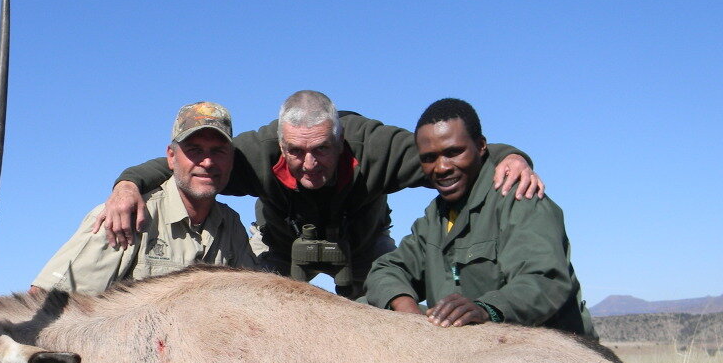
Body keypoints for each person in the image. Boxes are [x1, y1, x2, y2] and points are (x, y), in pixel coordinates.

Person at [95, 90, 543, 298]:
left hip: (364, 245)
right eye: (296, 152)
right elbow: (182, 164)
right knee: (264, 317)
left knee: (383, 322)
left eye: (322, 151)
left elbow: (454, 154)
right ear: (280, 142)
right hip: (278, 246)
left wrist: (512, 156)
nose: (309, 164)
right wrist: (127, 183)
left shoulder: (380, 148)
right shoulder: (253, 153)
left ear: (341, 140)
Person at [365, 98, 594, 335]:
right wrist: (407, 311)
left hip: (551, 351)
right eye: (429, 158)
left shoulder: (518, 198)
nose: (441, 167)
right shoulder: (435, 218)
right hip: (475, 352)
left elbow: (545, 281)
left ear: (481, 146)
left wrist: (487, 310)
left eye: (454, 152)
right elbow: (387, 269)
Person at [32, 102, 257, 295]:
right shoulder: (124, 216)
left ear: (231, 159)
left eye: (218, 151)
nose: (207, 162)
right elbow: (44, 303)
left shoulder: (231, 225)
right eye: (195, 150)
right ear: (171, 157)